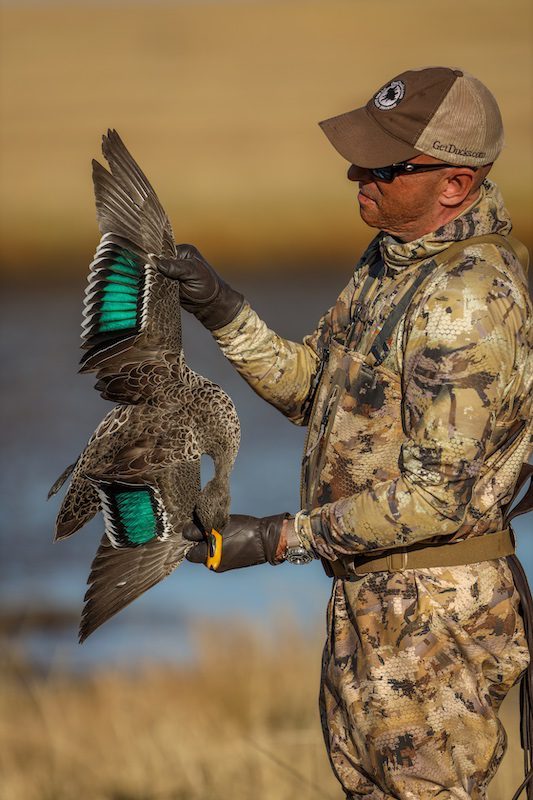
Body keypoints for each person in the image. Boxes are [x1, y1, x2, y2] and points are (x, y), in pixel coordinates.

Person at [157, 67, 533, 800]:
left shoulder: (465, 303)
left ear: (453, 185)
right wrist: (222, 310)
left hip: (433, 613)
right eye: (361, 154)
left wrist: (275, 538)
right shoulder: (393, 262)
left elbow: (437, 500)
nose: (354, 173)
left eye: (383, 166)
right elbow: (314, 391)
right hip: (371, 598)